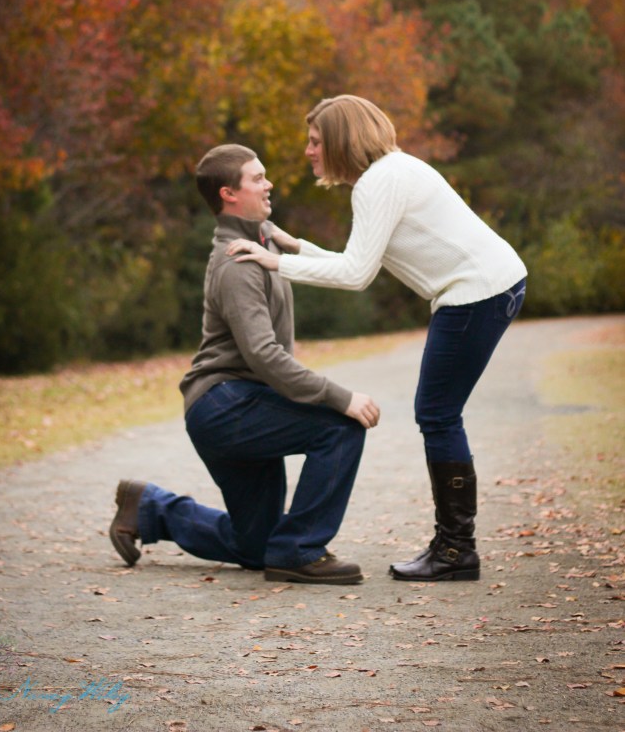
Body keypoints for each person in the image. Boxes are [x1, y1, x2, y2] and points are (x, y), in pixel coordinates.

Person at [227, 95, 527, 583]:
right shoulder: (392, 172)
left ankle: (456, 550)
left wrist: (275, 262)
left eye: (316, 141)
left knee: (437, 415)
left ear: (341, 140)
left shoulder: (377, 183)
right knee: (439, 413)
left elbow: (355, 275)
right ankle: (455, 547)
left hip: (476, 294)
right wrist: (296, 246)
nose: (308, 151)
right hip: (493, 285)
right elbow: (358, 260)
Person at [109, 143, 380, 585]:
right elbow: (263, 354)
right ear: (228, 194)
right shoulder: (237, 262)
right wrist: (340, 397)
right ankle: (299, 551)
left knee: (257, 547)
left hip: (234, 404)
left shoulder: (260, 240)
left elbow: (343, 268)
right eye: (257, 179)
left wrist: (286, 241)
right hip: (226, 405)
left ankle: (150, 507)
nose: (268, 184)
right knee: (340, 425)